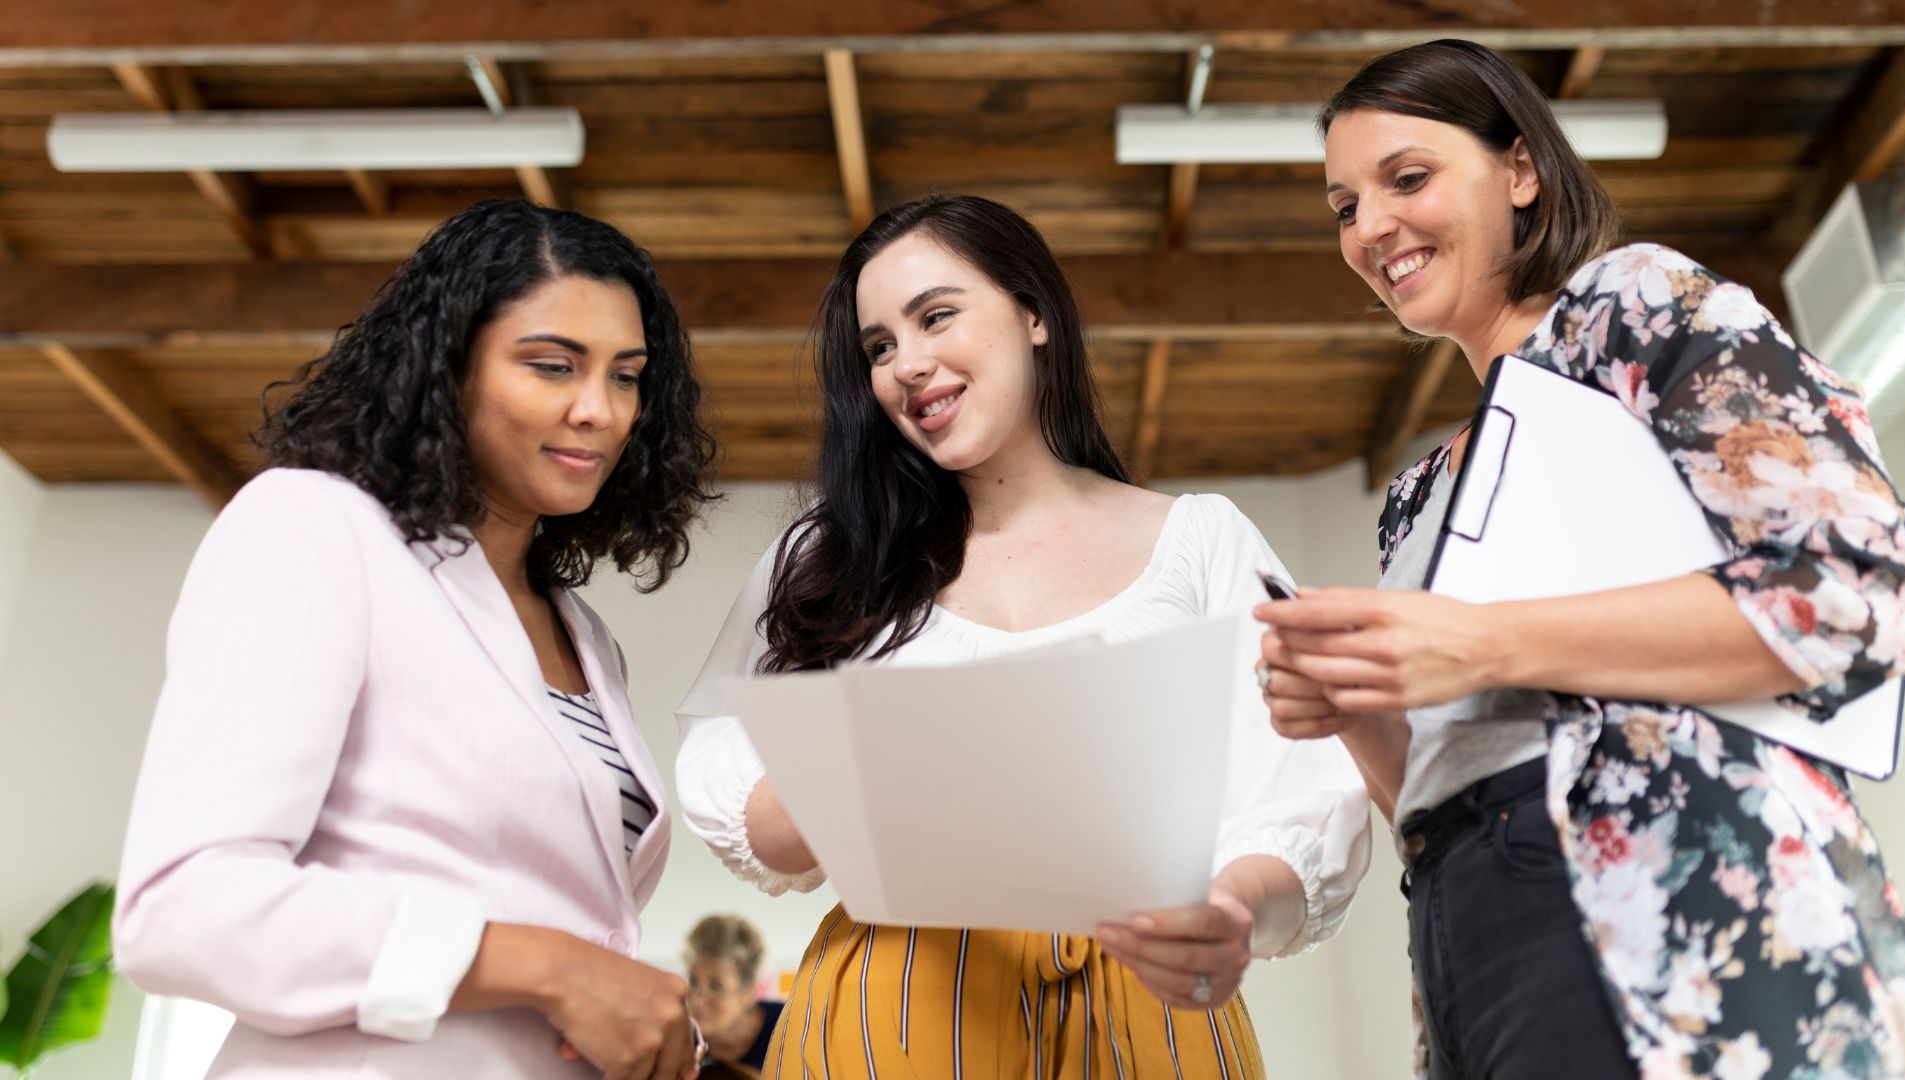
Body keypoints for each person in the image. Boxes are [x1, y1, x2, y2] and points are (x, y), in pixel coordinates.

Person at [1256, 39, 1905, 1080]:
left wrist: (1478, 645)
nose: (1370, 227)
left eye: (1408, 178)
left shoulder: (1632, 309)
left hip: (1667, 895)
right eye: (1344, 206)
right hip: (1464, 921)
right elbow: (1436, 786)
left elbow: (1860, 587)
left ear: (1520, 170)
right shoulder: (1419, 492)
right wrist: (1356, 709)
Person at [676, 194, 1371, 1079]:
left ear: (1034, 313)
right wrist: (887, 752)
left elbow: (1303, 796)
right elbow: (749, 818)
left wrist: (1230, 910)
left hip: (1150, 996)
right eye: (879, 347)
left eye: (936, 317)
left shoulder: (1201, 540)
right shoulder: (828, 560)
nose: (908, 366)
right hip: (897, 1005)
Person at [114, 198, 718, 1079]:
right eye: (552, 366)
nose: (601, 410)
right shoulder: (316, 528)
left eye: (626, 376)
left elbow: (568, 915)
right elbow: (183, 909)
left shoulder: (582, 633)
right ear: (446, 370)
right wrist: (551, 969)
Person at [683, 914, 782, 1079]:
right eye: (693, 983)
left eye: (716, 987)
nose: (696, 1000)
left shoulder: (789, 1027)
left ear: (748, 992)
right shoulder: (682, 1043)